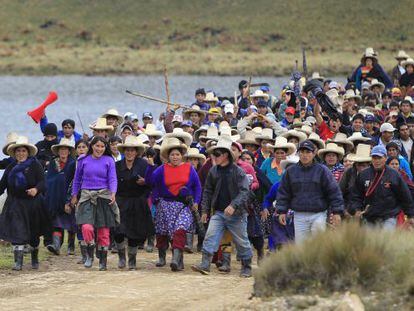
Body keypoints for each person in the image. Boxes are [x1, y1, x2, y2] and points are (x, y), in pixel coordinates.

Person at [192, 136, 253, 277]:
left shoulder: (238, 172)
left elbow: (245, 191)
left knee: (242, 241)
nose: (214, 157)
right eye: (214, 154)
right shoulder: (213, 171)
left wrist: (233, 205)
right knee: (210, 236)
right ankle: (205, 264)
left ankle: (246, 266)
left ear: (226, 155)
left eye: (217, 154)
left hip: (237, 214)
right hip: (219, 212)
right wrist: (205, 210)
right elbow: (207, 191)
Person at [145, 137, 201, 271]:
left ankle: (176, 259)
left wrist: (197, 202)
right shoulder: (162, 169)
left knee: (180, 230)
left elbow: (198, 187)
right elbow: (150, 181)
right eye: (172, 154)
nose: (175, 157)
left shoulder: (189, 169)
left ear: (182, 156)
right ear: (168, 156)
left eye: (177, 154)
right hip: (165, 205)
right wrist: (150, 166)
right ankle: (162, 257)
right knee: (162, 232)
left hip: (183, 205)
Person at [276, 140, 344, 243]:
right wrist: (282, 211)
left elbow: (333, 192)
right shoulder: (291, 171)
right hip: (299, 214)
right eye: (302, 152)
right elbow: (284, 192)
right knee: (301, 247)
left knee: (318, 245)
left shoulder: (322, 170)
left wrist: (337, 212)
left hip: (319, 214)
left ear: (314, 153)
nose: (304, 155)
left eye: (308, 152)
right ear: (298, 153)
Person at [0, 136, 50, 270]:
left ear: (28, 152)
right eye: (18, 151)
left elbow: (43, 183)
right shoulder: (10, 167)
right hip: (15, 203)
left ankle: (34, 257)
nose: (20, 153)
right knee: (17, 232)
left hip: (33, 204)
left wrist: (36, 189)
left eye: (23, 151)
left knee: (33, 235)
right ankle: (18, 262)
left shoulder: (35, 165)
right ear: (14, 153)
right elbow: (2, 185)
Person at [70, 136, 118, 270]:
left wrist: (113, 193)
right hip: (86, 197)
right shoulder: (83, 160)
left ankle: (103, 261)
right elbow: (77, 179)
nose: (100, 149)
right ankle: (90, 255)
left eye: (102, 146)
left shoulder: (109, 160)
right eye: (97, 146)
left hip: (104, 197)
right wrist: (74, 195)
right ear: (92, 146)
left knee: (103, 231)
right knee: (86, 227)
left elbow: (112, 179)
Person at [115, 136, 155, 270]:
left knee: (134, 233)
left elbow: (152, 182)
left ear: (137, 152)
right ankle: (121, 257)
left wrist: (146, 181)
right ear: (124, 151)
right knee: (118, 231)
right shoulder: (117, 165)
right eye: (127, 150)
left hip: (138, 202)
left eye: (132, 150)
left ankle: (132, 260)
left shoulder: (144, 165)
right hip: (120, 201)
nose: (130, 153)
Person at [350, 145, 414, 229]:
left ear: (385, 158)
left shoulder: (394, 175)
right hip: (369, 217)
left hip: (389, 216)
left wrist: (410, 215)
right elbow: (356, 196)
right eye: (374, 158)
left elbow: (405, 196)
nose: (377, 161)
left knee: (386, 241)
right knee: (370, 242)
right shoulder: (363, 175)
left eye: (379, 158)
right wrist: (356, 209)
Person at [45, 138, 76, 256]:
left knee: (71, 223)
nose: (63, 152)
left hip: (68, 198)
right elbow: (49, 180)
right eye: (61, 149)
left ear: (69, 151)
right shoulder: (53, 163)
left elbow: (74, 182)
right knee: (57, 223)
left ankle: (71, 244)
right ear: (58, 151)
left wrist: (70, 200)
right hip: (55, 199)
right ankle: (56, 246)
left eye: (65, 149)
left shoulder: (73, 164)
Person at [339, 144, 372, 215]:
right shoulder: (349, 173)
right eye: (359, 165)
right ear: (356, 164)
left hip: (369, 209)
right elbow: (340, 192)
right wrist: (344, 209)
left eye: (364, 166)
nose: (361, 168)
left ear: (369, 165)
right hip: (349, 208)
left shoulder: (373, 174)